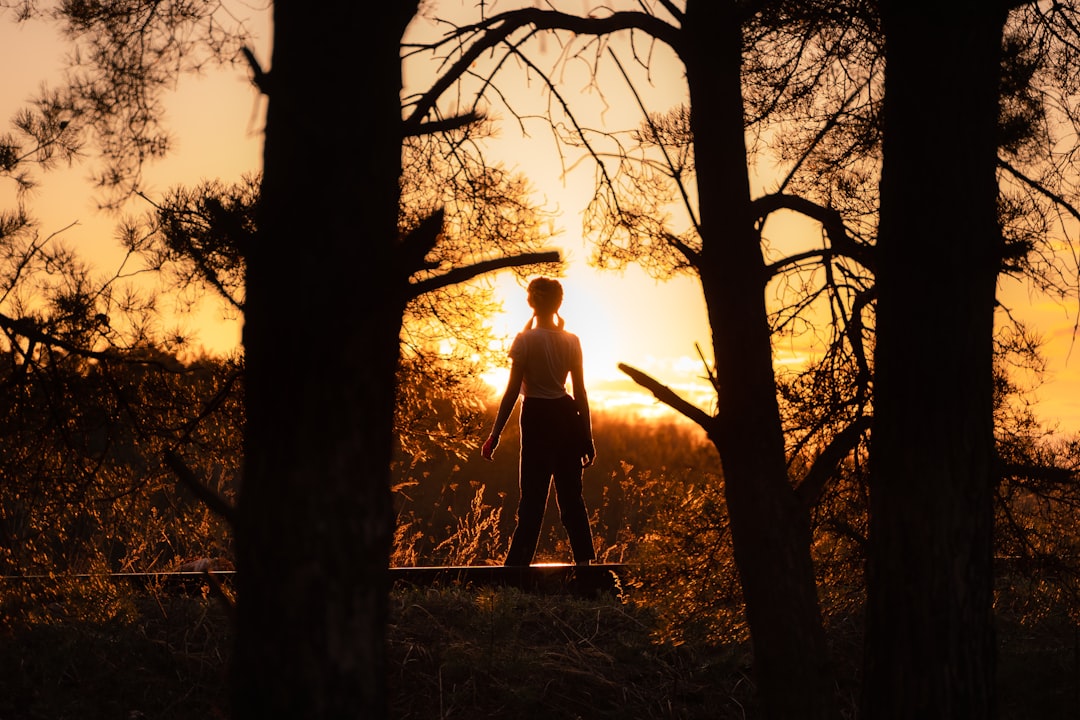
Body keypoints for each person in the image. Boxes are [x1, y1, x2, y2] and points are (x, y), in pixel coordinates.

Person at [481, 277, 597, 567]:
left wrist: (494, 434)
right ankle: (585, 567)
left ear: (532, 302)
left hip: (536, 418)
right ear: (558, 302)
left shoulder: (524, 341)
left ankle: (516, 570)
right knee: (572, 499)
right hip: (567, 417)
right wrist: (587, 437)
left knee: (532, 500)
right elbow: (580, 393)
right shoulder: (572, 341)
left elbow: (510, 392)